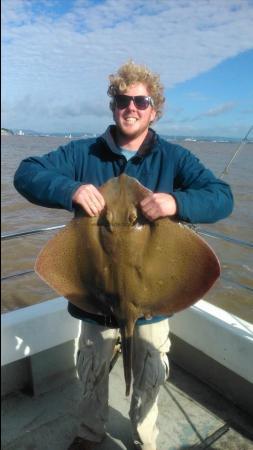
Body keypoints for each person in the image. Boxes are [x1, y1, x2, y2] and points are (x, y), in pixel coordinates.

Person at [14, 61, 233, 450]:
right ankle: (89, 433)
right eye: (122, 99)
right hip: (94, 296)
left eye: (140, 100)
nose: (130, 107)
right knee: (93, 369)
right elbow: (27, 172)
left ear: (154, 109)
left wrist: (175, 202)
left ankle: (144, 440)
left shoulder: (175, 159)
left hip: (153, 302)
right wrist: (71, 190)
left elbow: (222, 197)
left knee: (149, 372)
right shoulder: (84, 153)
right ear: (113, 104)